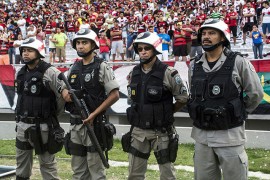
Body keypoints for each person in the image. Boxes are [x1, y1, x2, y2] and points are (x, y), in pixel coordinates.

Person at [187, 18, 264, 180]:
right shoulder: (194, 65)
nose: (206, 37)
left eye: (212, 33)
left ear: (223, 38)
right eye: (204, 33)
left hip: (229, 137)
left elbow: (255, 94)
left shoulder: (239, 62)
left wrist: (236, 112)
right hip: (202, 138)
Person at [126, 32, 188, 179]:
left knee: (167, 175)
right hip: (138, 132)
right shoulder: (133, 73)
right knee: (134, 174)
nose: (143, 52)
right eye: (139, 49)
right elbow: (132, 100)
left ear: (155, 49)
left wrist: (168, 112)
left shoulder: (169, 73)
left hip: (162, 132)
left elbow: (183, 98)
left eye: (146, 48)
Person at [61, 28, 120, 179]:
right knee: (78, 171)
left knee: (96, 172)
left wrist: (93, 115)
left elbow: (114, 95)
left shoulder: (102, 66)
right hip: (76, 125)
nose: (80, 46)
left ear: (94, 45)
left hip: (95, 125)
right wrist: (66, 95)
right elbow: (67, 93)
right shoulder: (73, 67)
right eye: (78, 43)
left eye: (85, 43)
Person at [15, 38, 65, 180]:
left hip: (44, 127)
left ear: (39, 52)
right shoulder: (21, 72)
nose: (25, 54)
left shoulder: (50, 72)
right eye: (24, 50)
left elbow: (64, 95)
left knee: (47, 166)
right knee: (21, 167)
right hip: (22, 125)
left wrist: (53, 116)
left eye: (29, 51)